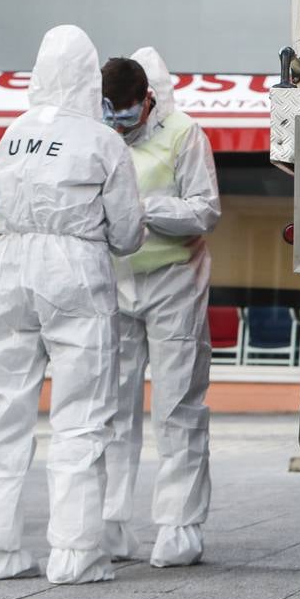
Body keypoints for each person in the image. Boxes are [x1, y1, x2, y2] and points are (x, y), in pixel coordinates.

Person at [0, 25, 144, 584]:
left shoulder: (10, 135)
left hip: (10, 264)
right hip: (74, 269)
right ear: (90, 80)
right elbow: (130, 232)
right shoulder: (101, 140)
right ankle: (75, 553)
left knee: (1, 412)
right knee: (82, 418)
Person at [100, 49, 220, 568]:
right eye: (111, 112)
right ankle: (109, 523)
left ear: (148, 100)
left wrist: (144, 210)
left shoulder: (184, 134)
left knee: (177, 409)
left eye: (127, 113)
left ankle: (179, 526)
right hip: (116, 281)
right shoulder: (101, 135)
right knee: (113, 409)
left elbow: (205, 210)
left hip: (174, 282)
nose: (119, 123)